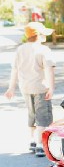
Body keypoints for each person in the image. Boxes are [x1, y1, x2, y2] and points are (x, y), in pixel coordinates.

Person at [4, 22, 56, 156]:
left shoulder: (20, 49)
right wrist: (51, 87)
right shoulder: (43, 50)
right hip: (41, 88)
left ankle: (32, 140)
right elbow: (49, 70)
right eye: (44, 33)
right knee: (42, 116)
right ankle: (40, 145)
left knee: (32, 114)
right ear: (39, 35)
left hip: (25, 88)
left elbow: (15, 70)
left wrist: (11, 88)